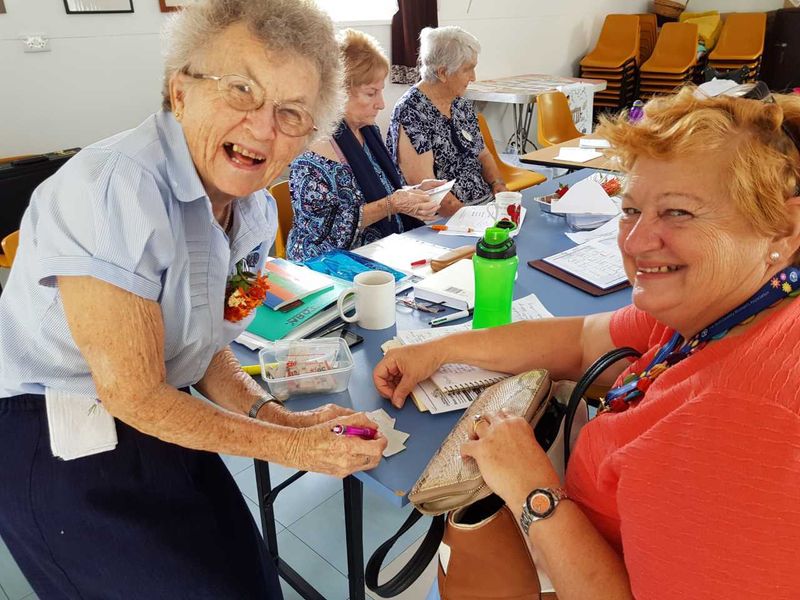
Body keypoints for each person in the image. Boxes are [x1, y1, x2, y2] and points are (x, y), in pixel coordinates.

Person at [0, 1, 387, 598]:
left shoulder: (254, 215)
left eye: (292, 114)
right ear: (180, 91)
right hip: (53, 431)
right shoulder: (114, 191)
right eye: (240, 90)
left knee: (249, 581)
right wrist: (294, 446)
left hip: (161, 408)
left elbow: (206, 343)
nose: (263, 128)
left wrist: (280, 416)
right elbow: (128, 391)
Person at [374, 86, 800, 598]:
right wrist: (441, 349)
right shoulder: (724, 306)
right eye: (630, 209)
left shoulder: (748, 416)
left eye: (679, 213)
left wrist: (532, 489)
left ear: (783, 228)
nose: (637, 241)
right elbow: (579, 340)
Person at [287, 28, 439, 261]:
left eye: (380, 91)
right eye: (371, 93)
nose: (381, 103)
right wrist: (392, 205)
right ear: (338, 93)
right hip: (329, 267)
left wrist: (414, 193)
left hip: (381, 250)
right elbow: (325, 232)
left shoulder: (368, 132)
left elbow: (384, 190)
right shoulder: (310, 152)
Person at [386, 26, 507, 217]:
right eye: (468, 69)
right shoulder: (411, 112)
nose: (473, 77)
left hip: (484, 208)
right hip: (444, 218)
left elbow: (483, 155)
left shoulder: (460, 103)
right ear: (442, 73)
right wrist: (474, 220)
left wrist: (498, 185)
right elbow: (429, 190)